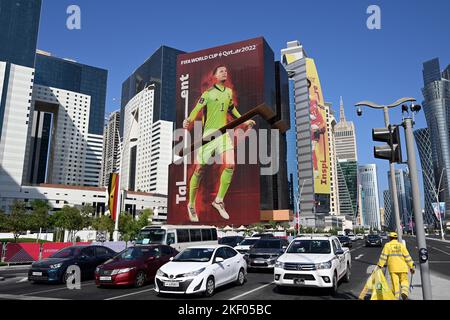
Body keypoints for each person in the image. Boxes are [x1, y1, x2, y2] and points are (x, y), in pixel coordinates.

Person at [183, 65, 255, 222]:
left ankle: (219, 200)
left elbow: (232, 111)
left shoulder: (228, 93)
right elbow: (196, 109)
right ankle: (191, 204)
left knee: (230, 165)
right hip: (209, 136)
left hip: (223, 135)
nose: (224, 72)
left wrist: (244, 120)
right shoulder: (208, 94)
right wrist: (188, 119)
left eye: (226, 71)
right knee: (200, 169)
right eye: (221, 71)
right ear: (214, 76)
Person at [377, 232, 416, 300]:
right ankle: (404, 292)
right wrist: (412, 266)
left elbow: (383, 257)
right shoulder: (401, 245)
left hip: (393, 268)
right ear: (397, 238)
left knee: (395, 284)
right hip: (403, 268)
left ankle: (396, 297)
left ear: (390, 238)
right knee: (404, 281)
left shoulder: (387, 245)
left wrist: (380, 265)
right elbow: (407, 257)